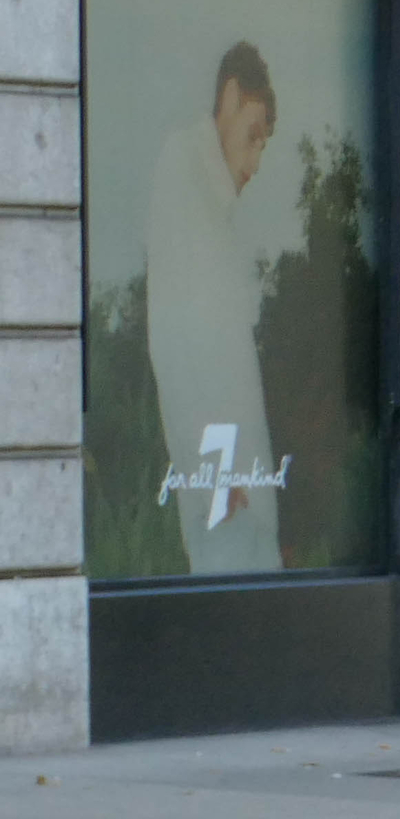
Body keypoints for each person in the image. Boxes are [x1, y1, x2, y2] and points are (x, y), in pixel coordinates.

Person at [145, 40, 284, 575]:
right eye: (252, 136)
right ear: (229, 98)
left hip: (239, 500)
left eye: (263, 148)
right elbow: (177, 342)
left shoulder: (212, 206)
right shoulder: (183, 169)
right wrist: (219, 481)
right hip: (226, 502)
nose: (253, 164)